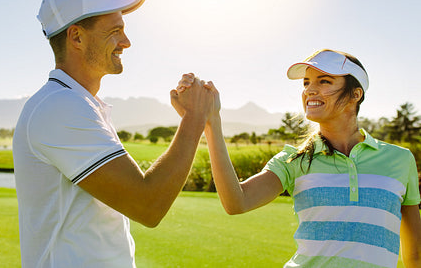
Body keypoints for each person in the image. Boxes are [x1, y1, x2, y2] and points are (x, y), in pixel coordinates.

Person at [13, 0, 215, 267]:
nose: (126, 42)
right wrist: (195, 118)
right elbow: (148, 204)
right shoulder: (60, 106)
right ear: (77, 37)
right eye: (115, 31)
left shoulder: (76, 103)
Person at [178, 49, 421, 267]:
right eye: (306, 83)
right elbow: (237, 202)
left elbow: (415, 255)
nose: (310, 90)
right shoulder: (294, 159)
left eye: (324, 81)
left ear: (355, 94)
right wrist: (211, 122)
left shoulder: (400, 159)